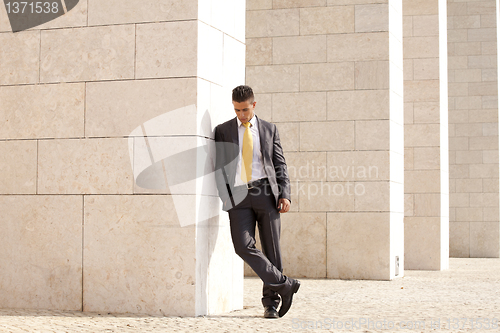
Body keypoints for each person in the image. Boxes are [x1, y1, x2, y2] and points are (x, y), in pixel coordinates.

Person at [214, 85, 300, 318]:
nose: (241, 115)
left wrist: (285, 193)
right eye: (236, 110)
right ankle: (284, 284)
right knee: (242, 245)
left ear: (254, 104)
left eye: (244, 109)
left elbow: (280, 164)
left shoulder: (269, 129)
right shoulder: (222, 131)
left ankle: (270, 303)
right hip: (238, 196)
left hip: (266, 193)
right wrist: (227, 197)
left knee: (272, 249)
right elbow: (219, 166)